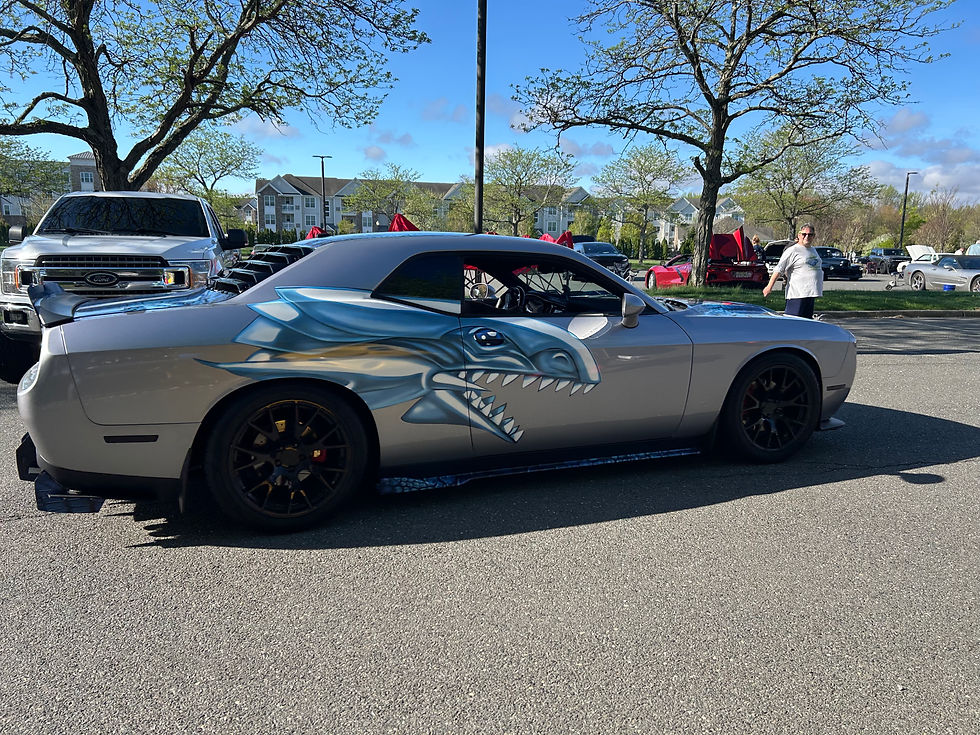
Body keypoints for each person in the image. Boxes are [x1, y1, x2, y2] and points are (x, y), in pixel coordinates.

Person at [763, 224, 823, 319]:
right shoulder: (793, 250)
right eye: (804, 234)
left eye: (810, 234)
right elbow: (779, 268)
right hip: (797, 294)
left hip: (810, 293)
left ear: (814, 236)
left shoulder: (812, 250)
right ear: (799, 235)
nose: (807, 237)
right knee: (793, 322)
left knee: (807, 323)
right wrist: (769, 287)